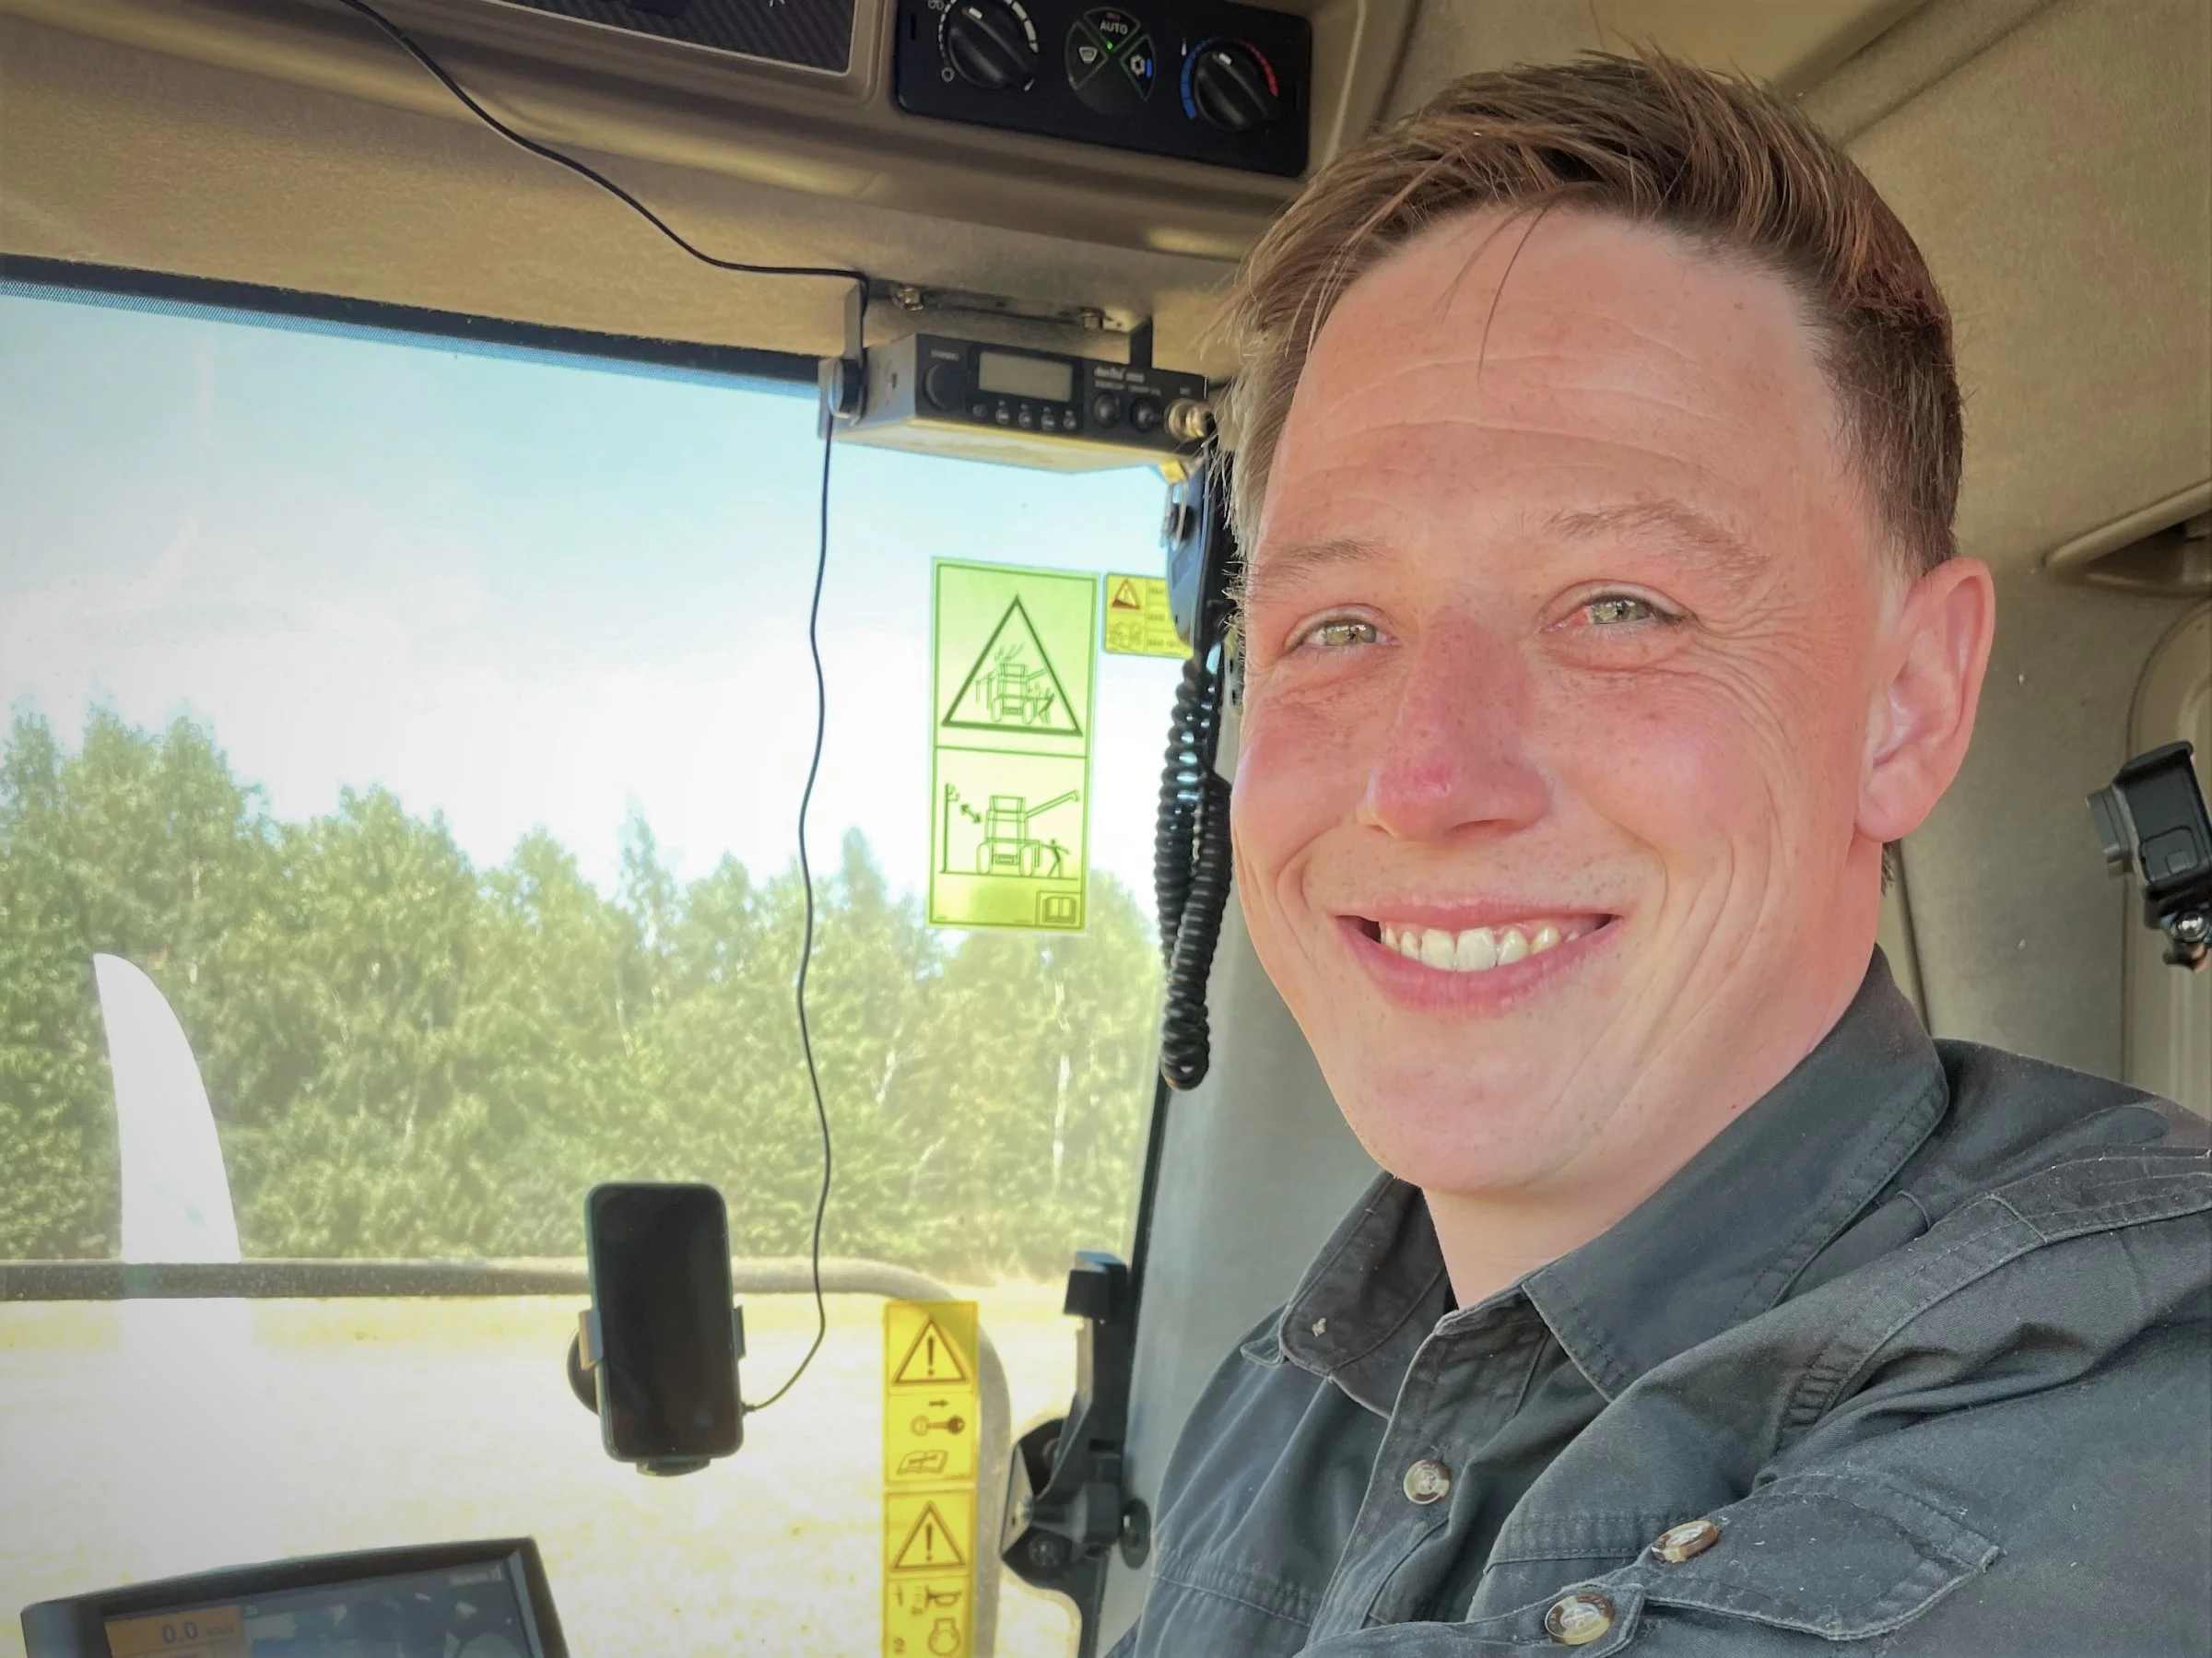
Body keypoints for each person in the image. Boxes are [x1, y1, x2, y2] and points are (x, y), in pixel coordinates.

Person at [1114, 49, 2211, 1657]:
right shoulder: (1284, 1394)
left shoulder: (2121, 1415)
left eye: (1620, 606)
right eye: (1337, 625)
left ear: (1903, 707)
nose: (1425, 781)